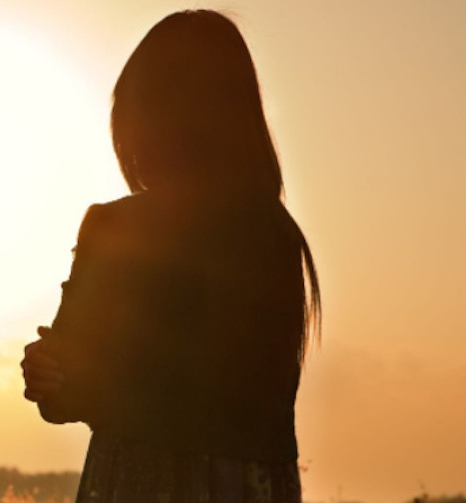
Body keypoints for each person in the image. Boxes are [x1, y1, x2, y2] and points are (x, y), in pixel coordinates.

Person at [20, 10, 322, 503]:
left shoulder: (118, 227)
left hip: (137, 479)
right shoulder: (277, 237)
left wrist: (56, 373)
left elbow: (95, 391)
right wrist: (52, 373)